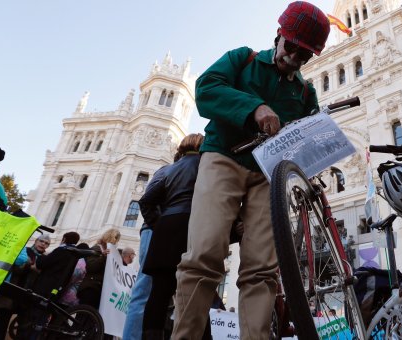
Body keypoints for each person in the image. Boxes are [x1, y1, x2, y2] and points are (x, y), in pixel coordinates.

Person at [171, 2, 330, 339]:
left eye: (305, 56)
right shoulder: (241, 59)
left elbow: (309, 140)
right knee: (204, 254)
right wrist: (254, 108)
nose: (295, 59)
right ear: (279, 36)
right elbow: (206, 89)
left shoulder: (305, 93)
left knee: (262, 269)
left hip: (267, 178)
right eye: (292, 48)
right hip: (222, 160)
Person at [139, 133, 204, 339]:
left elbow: (146, 201)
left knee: (158, 293)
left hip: (167, 228)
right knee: (196, 292)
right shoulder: (207, 164)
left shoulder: (167, 169)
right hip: (193, 226)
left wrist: (158, 225)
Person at [121, 162, 172, 340]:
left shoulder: (167, 170)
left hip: (155, 229)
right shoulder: (170, 170)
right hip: (156, 230)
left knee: (153, 291)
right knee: (144, 288)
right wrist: (159, 225)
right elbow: (147, 201)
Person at [78, 228, 121, 309]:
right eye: (115, 239)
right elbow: (91, 267)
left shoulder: (108, 252)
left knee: (91, 318)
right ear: (110, 238)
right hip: (90, 288)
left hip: (98, 289)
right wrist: (103, 256)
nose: (116, 242)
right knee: (83, 316)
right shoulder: (96, 249)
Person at [58, 242, 90, 307]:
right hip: (73, 296)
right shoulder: (84, 262)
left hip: (67, 296)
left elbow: (70, 279)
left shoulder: (79, 262)